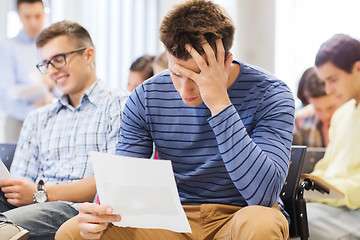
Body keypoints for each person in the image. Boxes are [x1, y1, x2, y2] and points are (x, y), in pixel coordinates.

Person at [57, 1, 295, 239]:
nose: (184, 91)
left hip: (242, 215)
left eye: (198, 76)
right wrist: (99, 212)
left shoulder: (271, 94)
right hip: (173, 220)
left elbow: (263, 195)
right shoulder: (146, 96)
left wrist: (220, 103)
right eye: (176, 74)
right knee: (73, 232)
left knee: (261, 224)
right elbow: (122, 186)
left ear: (226, 60)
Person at [0, 20, 128, 240]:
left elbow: (113, 180)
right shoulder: (38, 118)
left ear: (88, 55)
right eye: (46, 64)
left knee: (6, 228)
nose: (52, 71)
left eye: (58, 60)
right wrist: (23, 191)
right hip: (31, 208)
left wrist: (42, 193)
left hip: (77, 209)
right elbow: (20, 183)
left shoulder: (120, 105)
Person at [304, 33, 360, 239]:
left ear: (358, 68)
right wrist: (304, 185)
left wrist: (322, 192)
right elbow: (327, 166)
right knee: (277, 216)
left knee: (292, 224)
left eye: (333, 80)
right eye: (324, 81)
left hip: (354, 211)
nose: (328, 89)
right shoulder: (343, 114)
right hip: (333, 207)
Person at [0, 0, 55, 143]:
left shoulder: (53, 46)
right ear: (19, 16)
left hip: (52, 119)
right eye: (27, 16)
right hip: (20, 122)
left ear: (45, 14)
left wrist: (53, 85)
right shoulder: (8, 47)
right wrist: (33, 110)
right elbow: (5, 95)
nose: (33, 23)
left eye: (38, 16)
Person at [293, 67, 344, 147]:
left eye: (331, 107)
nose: (326, 115)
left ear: (341, 97)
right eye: (318, 109)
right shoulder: (299, 123)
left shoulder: (354, 121)